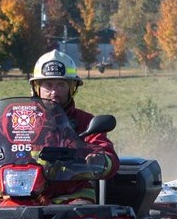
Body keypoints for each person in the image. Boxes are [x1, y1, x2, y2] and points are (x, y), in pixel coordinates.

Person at [24, 49, 118, 204]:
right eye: (48, 85)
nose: (54, 92)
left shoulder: (85, 122)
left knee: (83, 214)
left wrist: (100, 160)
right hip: (19, 193)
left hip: (72, 196)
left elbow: (107, 154)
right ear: (37, 87)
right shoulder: (16, 118)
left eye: (61, 85)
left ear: (72, 88)